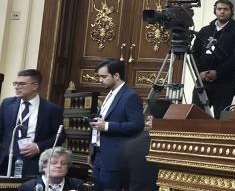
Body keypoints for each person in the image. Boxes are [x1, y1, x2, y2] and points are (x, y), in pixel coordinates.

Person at [90, 58, 144, 191]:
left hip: (115, 158)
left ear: (116, 75)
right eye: (99, 77)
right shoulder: (110, 94)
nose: (100, 80)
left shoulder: (130, 96)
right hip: (99, 154)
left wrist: (107, 126)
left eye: (103, 76)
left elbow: (137, 125)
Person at [0, 69, 64, 177]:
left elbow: (60, 136)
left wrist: (38, 147)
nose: (16, 87)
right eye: (15, 83)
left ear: (35, 86)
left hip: (33, 162)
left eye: (22, 84)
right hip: (6, 160)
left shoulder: (51, 109)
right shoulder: (7, 104)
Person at [190, 0, 235, 118]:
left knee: (222, 118)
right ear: (215, 11)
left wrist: (218, 72)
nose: (222, 12)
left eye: (225, 9)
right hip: (202, 81)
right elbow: (194, 53)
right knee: (196, 115)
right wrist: (199, 73)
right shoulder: (205, 30)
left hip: (225, 83)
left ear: (231, 12)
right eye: (219, 9)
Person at [18, 147, 86, 191]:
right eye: (54, 163)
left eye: (63, 163)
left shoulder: (78, 185)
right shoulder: (28, 188)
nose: (59, 166)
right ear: (43, 166)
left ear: (68, 167)